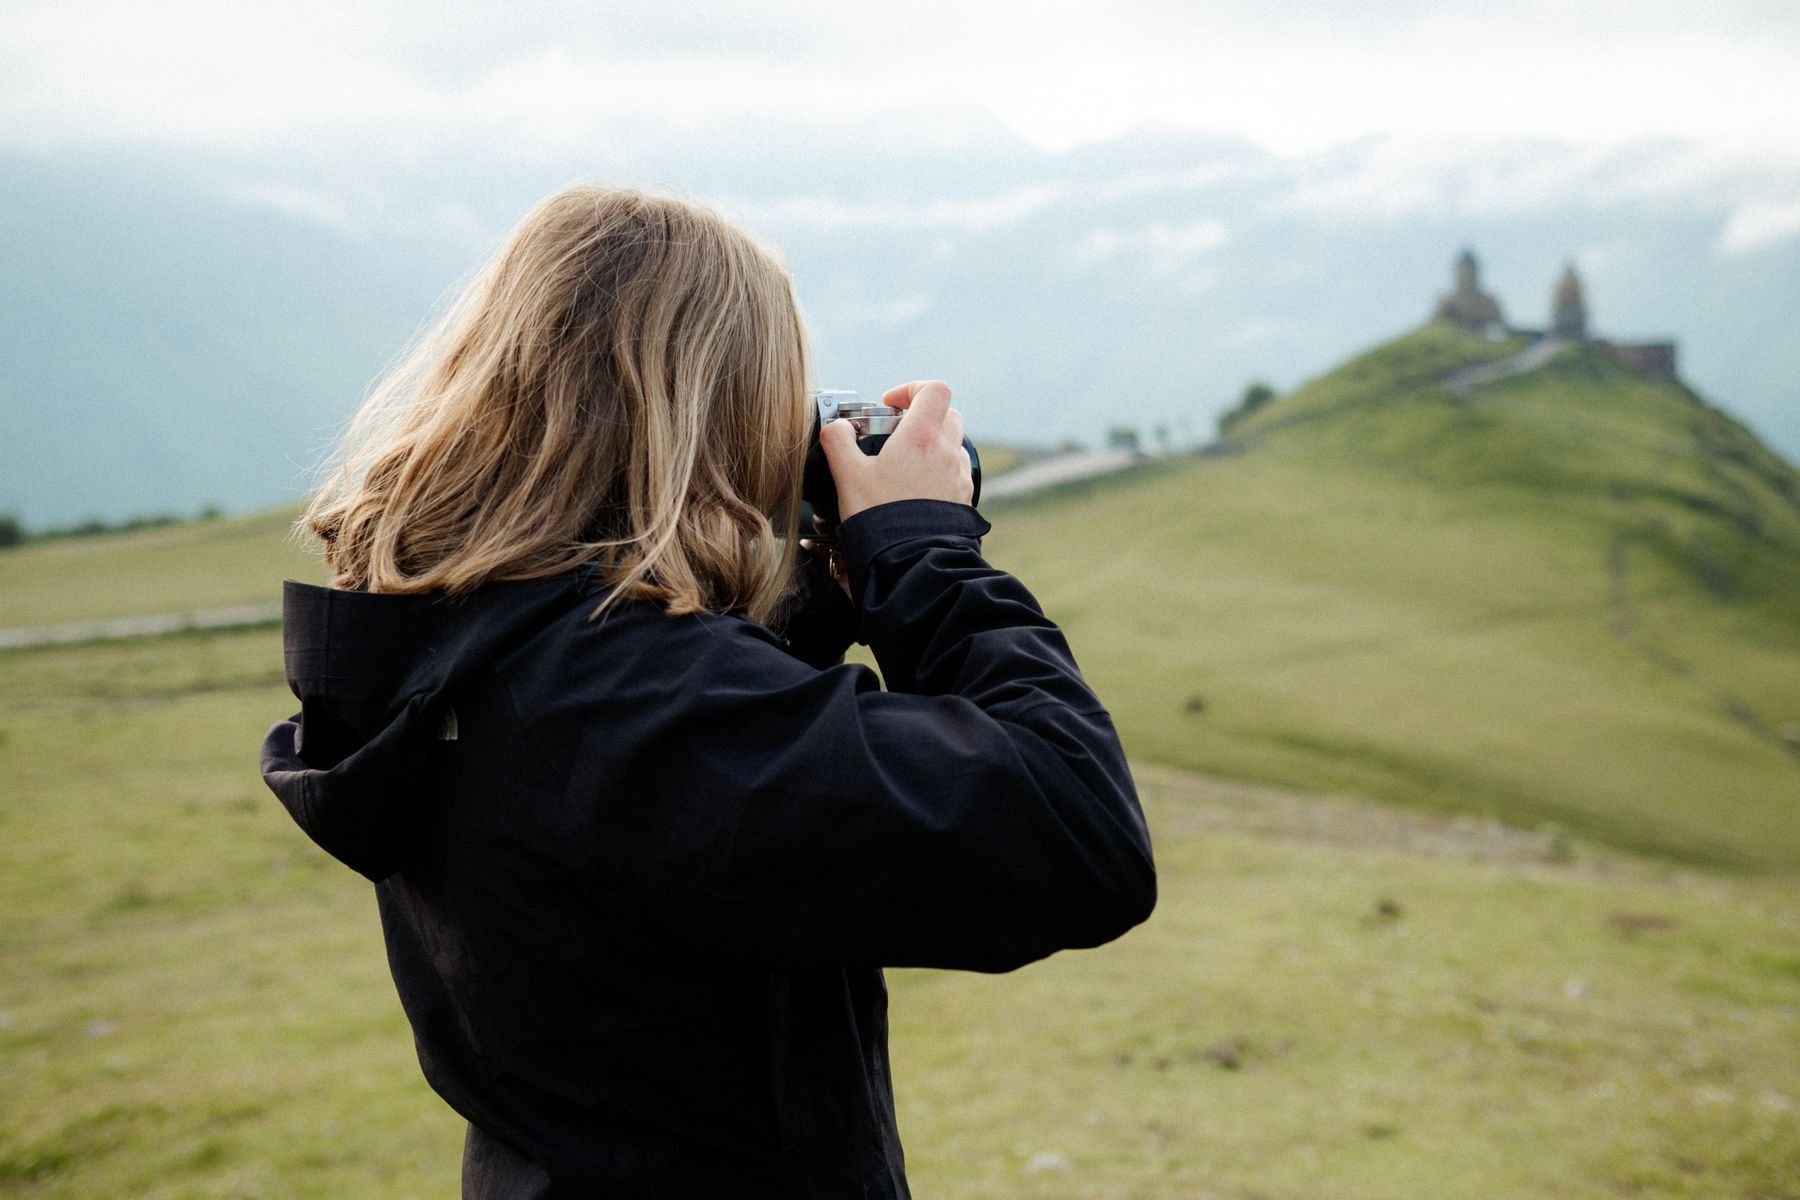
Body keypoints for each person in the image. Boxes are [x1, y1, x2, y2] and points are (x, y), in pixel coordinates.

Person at [260, 185, 1155, 1198]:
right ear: (710, 417)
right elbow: (1079, 833)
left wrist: (827, 591)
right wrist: (923, 556)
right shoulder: (633, 708)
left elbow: (693, 797)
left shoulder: (458, 655)